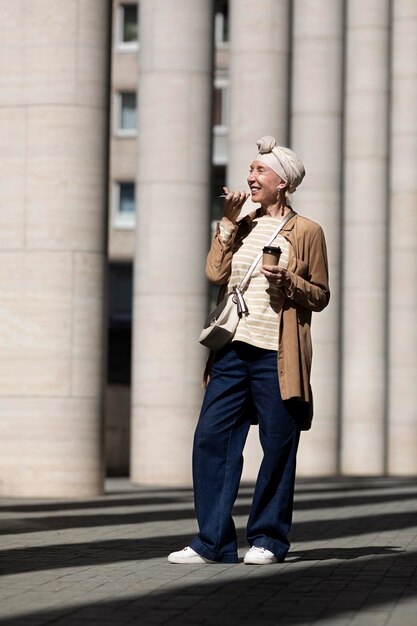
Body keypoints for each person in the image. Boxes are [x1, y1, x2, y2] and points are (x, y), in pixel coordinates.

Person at [168, 136, 330, 565]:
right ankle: (213, 542)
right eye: (251, 170)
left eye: (259, 171)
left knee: (278, 445)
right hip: (231, 351)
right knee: (211, 440)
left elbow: (320, 294)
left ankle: (268, 539)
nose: (249, 177)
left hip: (277, 354)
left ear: (283, 181)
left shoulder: (307, 231)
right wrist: (225, 222)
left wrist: (287, 283)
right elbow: (214, 272)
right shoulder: (240, 224)